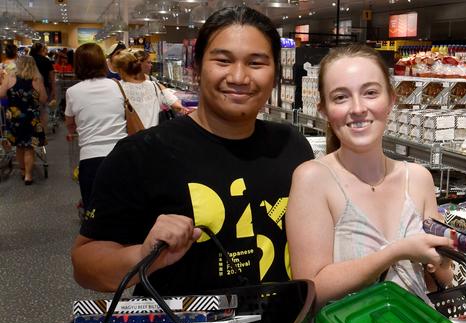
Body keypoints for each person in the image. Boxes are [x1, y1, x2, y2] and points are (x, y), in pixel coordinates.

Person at [71, 6, 314, 296]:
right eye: (223, 60)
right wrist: (144, 256)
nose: (239, 76)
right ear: (197, 68)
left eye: (256, 63)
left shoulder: (292, 146)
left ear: (275, 74)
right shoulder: (142, 154)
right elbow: (85, 266)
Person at [286, 45, 454, 311]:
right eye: (341, 97)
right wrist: (397, 252)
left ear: (391, 101)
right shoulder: (314, 179)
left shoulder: (418, 179)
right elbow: (310, 291)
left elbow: (444, 278)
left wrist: (442, 257)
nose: (358, 108)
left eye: (370, 93)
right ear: (324, 110)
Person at [64, 43, 127, 209]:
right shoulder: (117, 85)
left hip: (91, 158)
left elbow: (70, 123)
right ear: (102, 62)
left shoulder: (73, 92)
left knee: (94, 210)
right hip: (120, 154)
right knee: (121, 207)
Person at [0, 56, 48, 185]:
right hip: (32, 119)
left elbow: (1, 94)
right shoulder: (37, 80)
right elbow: (43, 99)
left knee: (19, 147)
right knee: (29, 148)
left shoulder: (10, 78)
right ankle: (28, 175)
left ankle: (22, 171)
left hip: (15, 119)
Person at [112, 50, 188, 129]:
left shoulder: (117, 88)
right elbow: (175, 105)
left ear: (120, 70)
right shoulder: (155, 86)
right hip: (152, 137)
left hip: (132, 137)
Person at [29, 43, 56, 132]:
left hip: (29, 88)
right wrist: (53, 89)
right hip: (44, 87)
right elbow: (52, 77)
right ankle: (42, 131)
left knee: (30, 109)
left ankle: (31, 129)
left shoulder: (28, 61)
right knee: (43, 109)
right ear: (41, 50)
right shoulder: (46, 61)